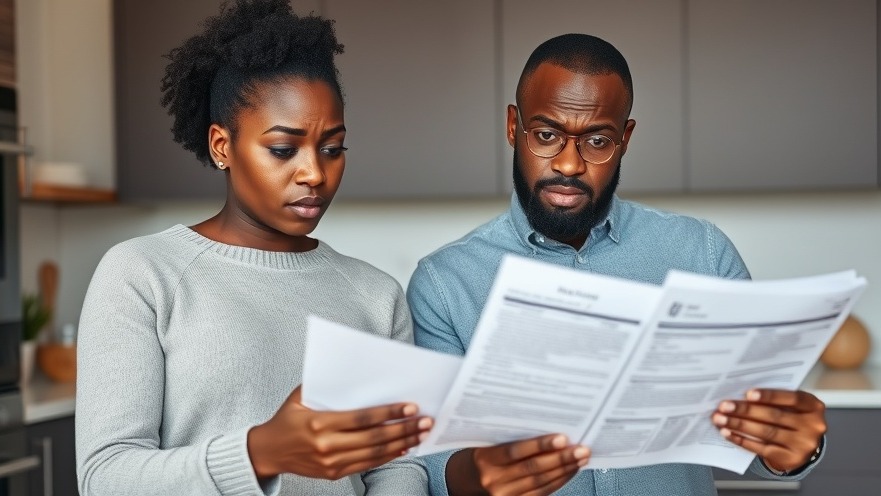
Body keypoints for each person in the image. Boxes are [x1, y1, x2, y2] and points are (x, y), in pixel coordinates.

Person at [407, 33, 827, 496]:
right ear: (513, 127)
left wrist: (791, 450)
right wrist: (475, 475)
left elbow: (756, 435)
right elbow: (429, 463)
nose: (569, 164)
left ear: (624, 138)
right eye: (546, 135)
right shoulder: (444, 284)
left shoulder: (702, 256)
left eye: (597, 140)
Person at [75, 1, 432, 494]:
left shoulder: (376, 296)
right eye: (283, 150)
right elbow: (105, 477)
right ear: (223, 146)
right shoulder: (142, 274)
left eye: (332, 148)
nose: (314, 173)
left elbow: (398, 465)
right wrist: (262, 453)